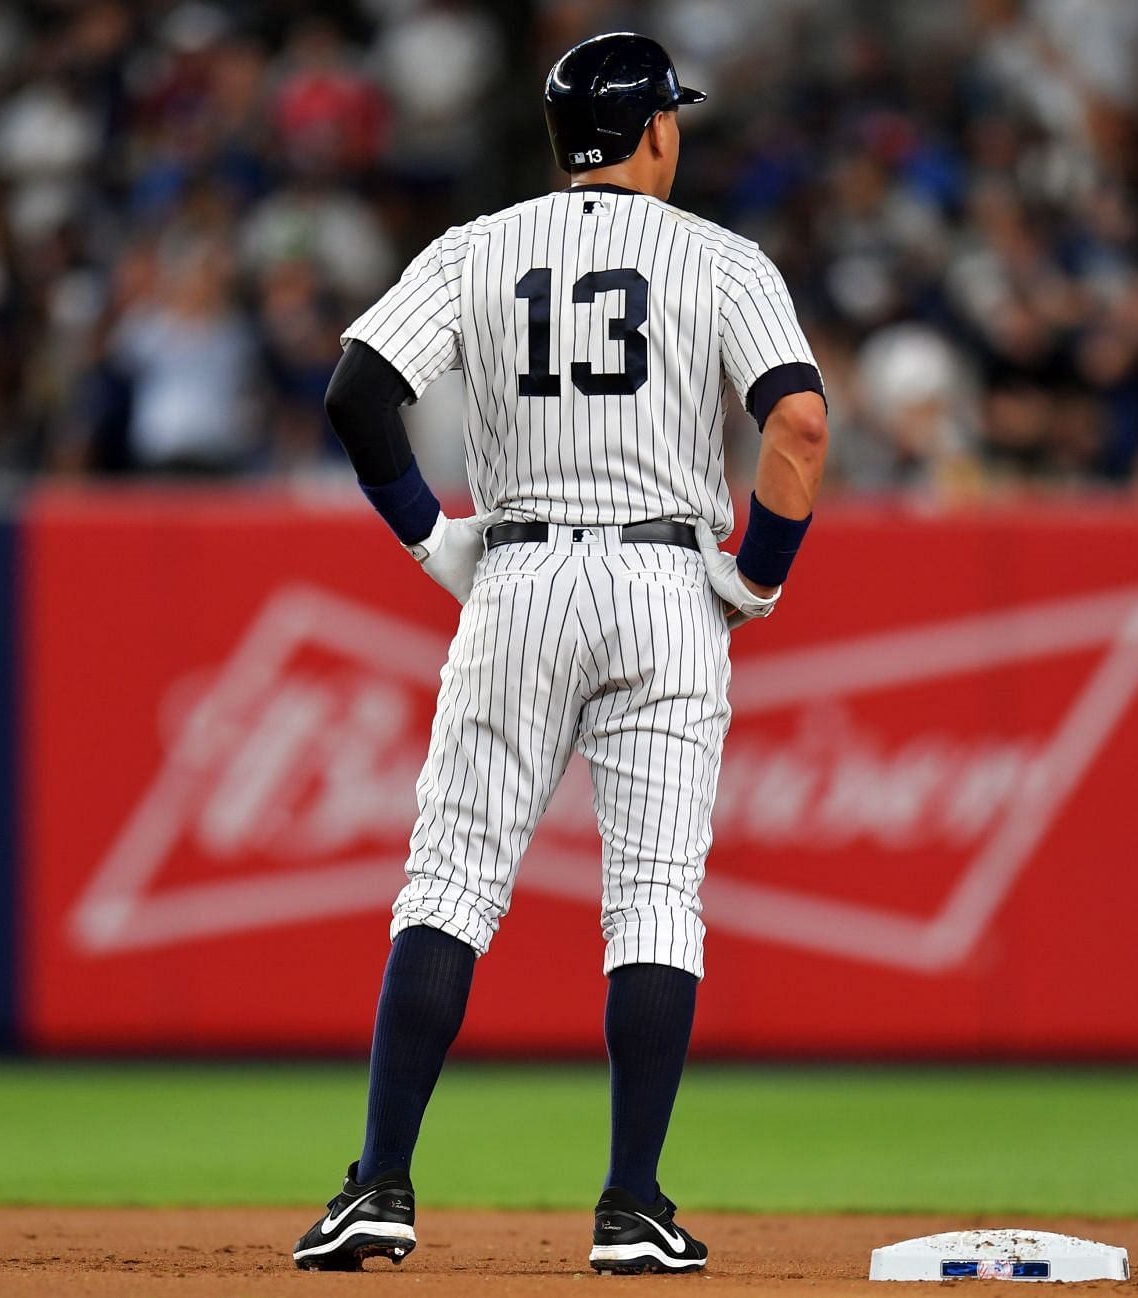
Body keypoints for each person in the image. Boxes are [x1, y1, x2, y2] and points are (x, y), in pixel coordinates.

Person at [291, 32, 829, 1274]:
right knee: (654, 898)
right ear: (652, 132)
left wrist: (433, 539)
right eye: (672, 120)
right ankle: (632, 1202)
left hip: (520, 574)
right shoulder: (723, 261)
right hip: (663, 579)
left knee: (450, 883)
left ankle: (380, 1183)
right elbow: (797, 420)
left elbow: (357, 392)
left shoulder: (477, 247)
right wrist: (758, 570)